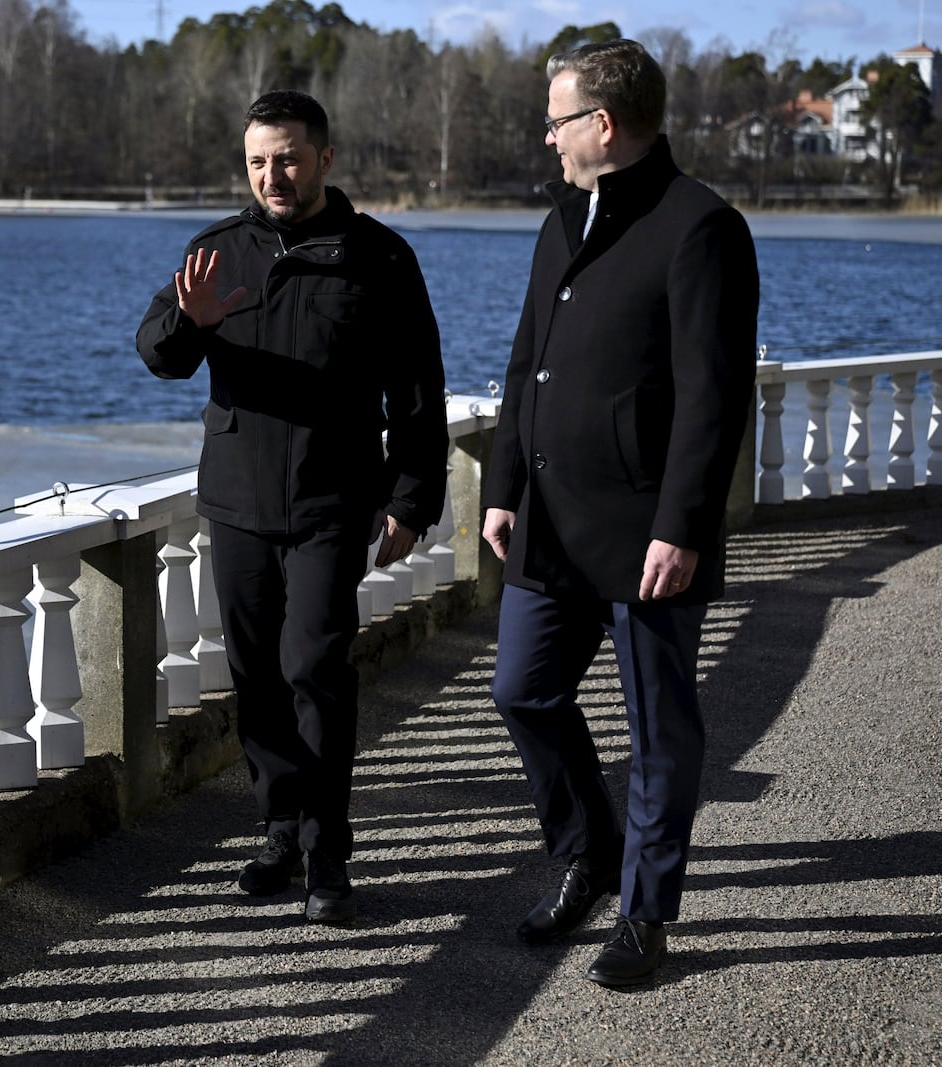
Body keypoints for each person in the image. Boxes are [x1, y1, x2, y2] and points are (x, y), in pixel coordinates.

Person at [482, 39, 759, 987]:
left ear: (603, 124)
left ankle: (645, 914)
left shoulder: (701, 227)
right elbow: (529, 365)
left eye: (557, 120)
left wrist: (682, 525)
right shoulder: (561, 219)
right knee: (520, 688)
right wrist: (500, 485)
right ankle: (589, 853)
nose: (547, 137)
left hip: (646, 535)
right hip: (549, 521)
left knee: (658, 731)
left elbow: (714, 397)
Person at [135, 90, 447, 923]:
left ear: (326, 160)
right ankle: (278, 822)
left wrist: (413, 497)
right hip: (236, 501)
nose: (274, 174)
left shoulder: (378, 259)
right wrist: (190, 325)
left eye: (289, 158)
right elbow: (156, 353)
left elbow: (418, 394)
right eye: (258, 161)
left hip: (330, 502)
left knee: (314, 666)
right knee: (255, 675)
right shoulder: (216, 252)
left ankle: (326, 850)